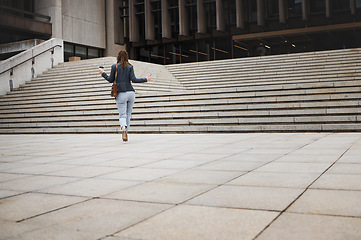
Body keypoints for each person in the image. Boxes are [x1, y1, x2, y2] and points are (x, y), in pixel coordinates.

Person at [98, 50, 151, 142]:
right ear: (127, 57)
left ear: (118, 57)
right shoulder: (130, 66)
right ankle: (126, 131)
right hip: (131, 93)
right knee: (128, 114)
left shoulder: (114, 67)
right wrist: (145, 79)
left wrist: (102, 73)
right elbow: (134, 80)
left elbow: (110, 80)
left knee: (122, 114)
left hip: (120, 93)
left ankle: (123, 128)